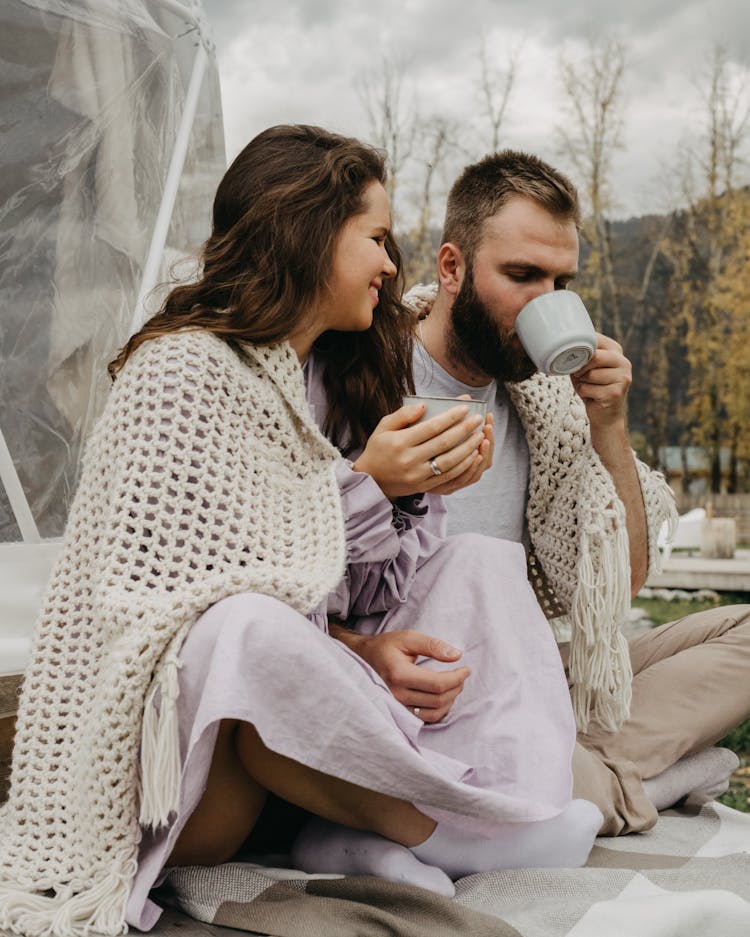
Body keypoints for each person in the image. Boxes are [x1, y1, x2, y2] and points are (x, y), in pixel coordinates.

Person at [0, 127, 603, 937]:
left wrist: (411, 504)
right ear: (310, 231)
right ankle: (453, 829)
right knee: (242, 625)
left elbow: (349, 591)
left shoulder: (323, 376)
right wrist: (369, 484)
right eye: (378, 239)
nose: (395, 266)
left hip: (278, 747)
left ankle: (368, 830)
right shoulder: (181, 369)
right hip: (180, 780)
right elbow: (183, 606)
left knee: (484, 563)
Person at [403, 148, 750, 836]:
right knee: (522, 778)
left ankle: (584, 774)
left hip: (531, 671)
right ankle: (640, 778)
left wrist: (610, 428)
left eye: (563, 280)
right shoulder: (365, 370)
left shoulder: (550, 403)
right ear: (451, 268)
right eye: (523, 275)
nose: (549, 301)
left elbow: (622, 581)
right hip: (419, 688)